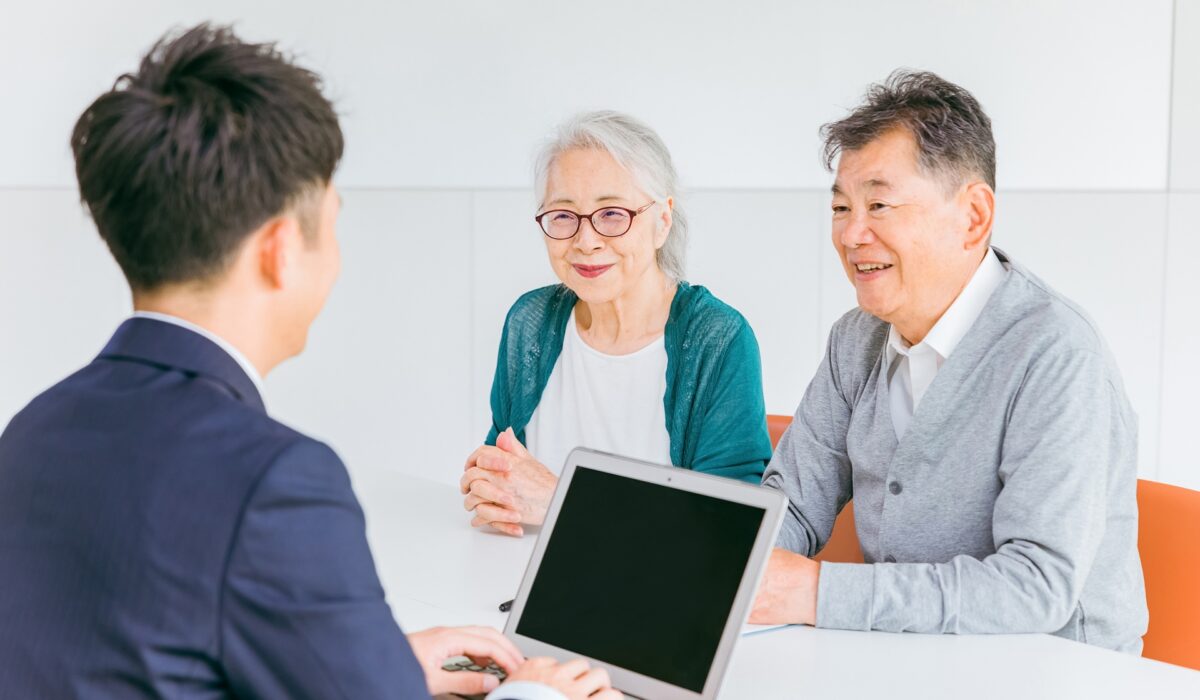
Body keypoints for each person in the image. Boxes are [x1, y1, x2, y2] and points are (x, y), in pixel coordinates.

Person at [0, 24, 617, 700]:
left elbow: (142, 655)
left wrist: (381, 665)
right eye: (332, 220)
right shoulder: (275, 482)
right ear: (280, 250)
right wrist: (536, 691)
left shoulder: (33, 431)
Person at [752, 70, 1148, 653]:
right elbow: (791, 507)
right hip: (910, 661)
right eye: (841, 207)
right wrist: (726, 561)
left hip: (1056, 674)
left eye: (879, 204)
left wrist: (815, 591)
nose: (851, 233)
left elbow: (1036, 588)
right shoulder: (855, 341)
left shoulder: (1056, 354)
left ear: (973, 218)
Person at [461, 111, 773, 537]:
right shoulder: (529, 324)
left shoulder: (716, 339)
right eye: (563, 216)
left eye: (612, 214)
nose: (586, 241)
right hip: (514, 586)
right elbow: (504, 474)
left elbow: (727, 532)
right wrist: (489, 486)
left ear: (662, 220)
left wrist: (563, 502)